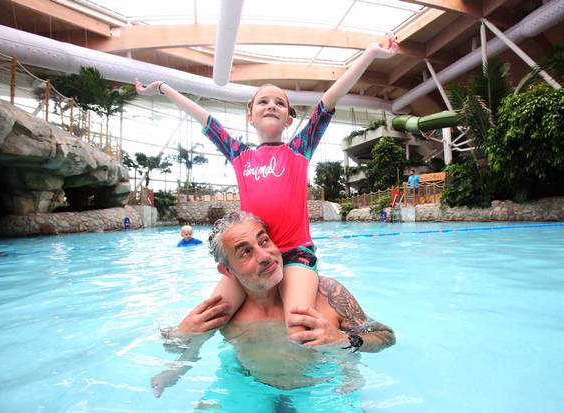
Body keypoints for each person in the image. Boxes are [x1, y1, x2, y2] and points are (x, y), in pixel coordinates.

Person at [136, 37, 398, 338]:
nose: (271, 105)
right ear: (250, 117)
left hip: (295, 255)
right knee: (208, 315)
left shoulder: (298, 149)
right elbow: (205, 119)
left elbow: (328, 100)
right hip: (253, 256)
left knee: (298, 324)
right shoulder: (240, 155)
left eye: (280, 102)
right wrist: (164, 88)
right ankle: (174, 369)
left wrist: (370, 53)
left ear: (289, 119)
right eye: (263, 101)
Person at [151, 211, 395, 398]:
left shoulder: (327, 293)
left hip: (324, 390)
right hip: (252, 389)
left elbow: (386, 337)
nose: (265, 256)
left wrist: (342, 340)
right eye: (245, 252)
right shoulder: (225, 313)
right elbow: (187, 349)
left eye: (264, 241)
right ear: (228, 271)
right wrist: (180, 342)